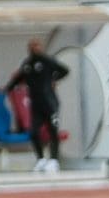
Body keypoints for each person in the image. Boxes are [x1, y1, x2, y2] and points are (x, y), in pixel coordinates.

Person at [5, 38, 70, 172]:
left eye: (37, 45)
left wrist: (53, 79)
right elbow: (18, 78)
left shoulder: (47, 61)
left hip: (50, 103)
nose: (35, 48)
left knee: (53, 130)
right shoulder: (27, 64)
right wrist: (6, 89)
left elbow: (65, 70)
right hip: (36, 105)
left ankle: (54, 160)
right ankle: (41, 159)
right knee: (34, 131)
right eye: (32, 46)